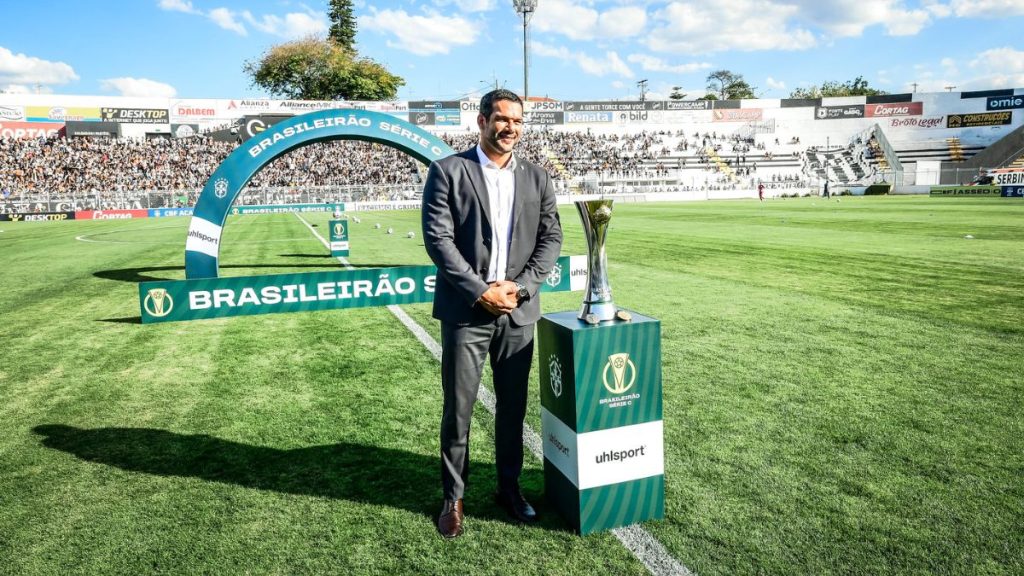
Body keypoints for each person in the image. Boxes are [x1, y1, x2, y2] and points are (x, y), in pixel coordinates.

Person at [421, 89, 563, 539]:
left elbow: (551, 239)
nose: (510, 128)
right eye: (502, 119)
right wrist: (481, 291)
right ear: (481, 121)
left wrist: (520, 289)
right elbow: (439, 241)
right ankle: (453, 497)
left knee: (513, 408)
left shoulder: (538, 177)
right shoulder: (448, 171)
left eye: (517, 121)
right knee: (458, 410)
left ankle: (508, 487)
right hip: (467, 313)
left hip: (518, 312)